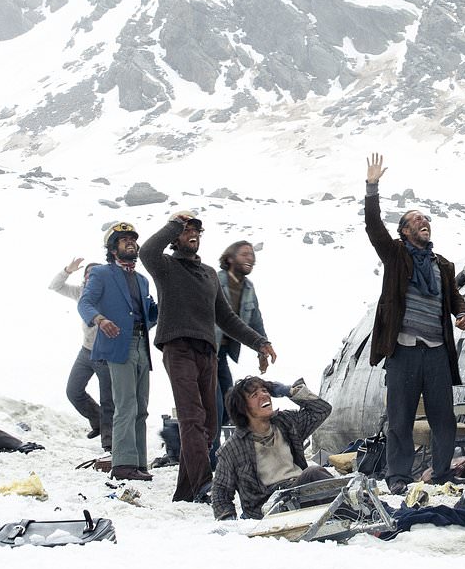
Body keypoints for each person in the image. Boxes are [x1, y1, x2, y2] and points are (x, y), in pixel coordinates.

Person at [140, 212, 278, 502]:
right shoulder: (165, 266)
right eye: (186, 230)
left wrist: (259, 342)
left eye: (196, 230)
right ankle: (205, 484)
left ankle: (186, 492)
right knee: (192, 418)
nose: (192, 234)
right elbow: (147, 251)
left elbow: (226, 317)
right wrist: (174, 224)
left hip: (207, 352)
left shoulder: (208, 274)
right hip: (178, 348)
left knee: (210, 424)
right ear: (175, 237)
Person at [364, 152, 465, 495]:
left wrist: (463, 313)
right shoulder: (396, 256)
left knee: (444, 417)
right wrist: (372, 187)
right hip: (404, 351)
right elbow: (373, 227)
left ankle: (441, 472)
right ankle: (398, 476)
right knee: (401, 418)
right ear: (405, 231)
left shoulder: (442, 265)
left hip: (436, 352)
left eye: (426, 219)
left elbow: (453, 297)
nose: (424, 222)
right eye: (416, 219)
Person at [78, 223, 158, 481]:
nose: (130, 242)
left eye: (132, 239)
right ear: (113, 248)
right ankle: (123, 465)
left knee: (141, 407)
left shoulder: (143, 280)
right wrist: (100, 320)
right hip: (118, 345)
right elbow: (85, 303)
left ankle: (139, 463)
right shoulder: (101, 273)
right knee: (126, 405)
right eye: (124, 240)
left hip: (142, 344)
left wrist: (161, 308)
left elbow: (149, 316)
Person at [211, 377, 332, 520]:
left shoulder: (286, 423)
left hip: (299, 491)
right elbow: (220, 491)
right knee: (313, 473)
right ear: (242, 408)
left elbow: (321, 410)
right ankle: (352, 513)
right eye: (254, 395)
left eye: (265, 390)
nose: (264, 395)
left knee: (324, 482)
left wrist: (289, 391)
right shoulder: (232, 448)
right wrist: (228, 519)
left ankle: (349, 512)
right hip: (268, 508)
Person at [211, 240, 269, 463]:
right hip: (207, 350)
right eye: (244, 254)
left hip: (223, 353)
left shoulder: (248, 288)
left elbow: (256, 321)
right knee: (214, 404)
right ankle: (213, 458)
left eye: (252, 254)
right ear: (229, 258)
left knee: (229, 403)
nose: (250, 258)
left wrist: (262, 348)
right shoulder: (214, 280)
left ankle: (220, 451)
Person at [49, 258, 114, 450]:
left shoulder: (110, 294)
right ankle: (98, 420)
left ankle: (110, 443)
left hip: (105, 354)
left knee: (108, 399)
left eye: (95, 274)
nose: (90, 277)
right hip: (86, 351)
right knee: (73, 391)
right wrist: (67, 270)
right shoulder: (81, 292)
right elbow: (55, 286)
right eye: (88, 274)